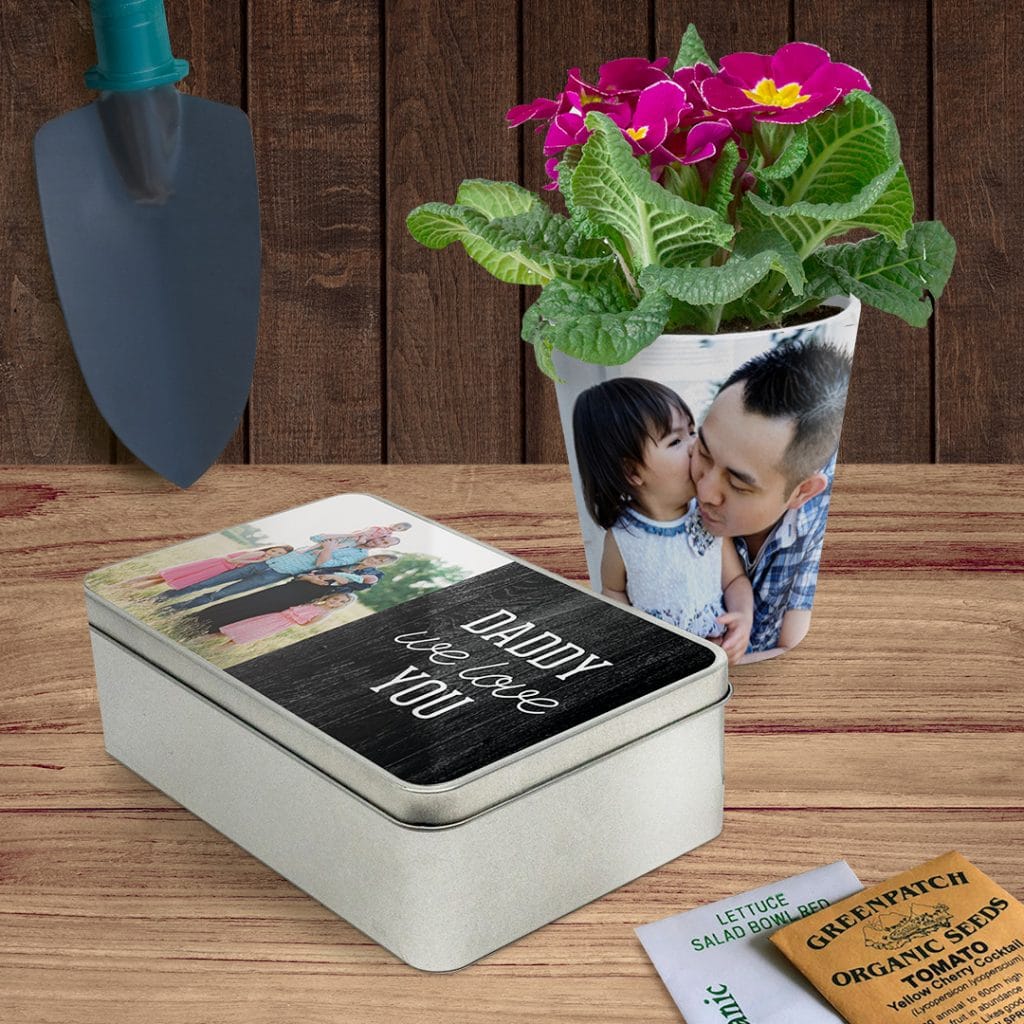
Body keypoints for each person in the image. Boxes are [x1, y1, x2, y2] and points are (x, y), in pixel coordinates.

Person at [690, 337, 853, 661]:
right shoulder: (672, 481)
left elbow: (791, 647)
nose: (704, 493)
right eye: (704, 453)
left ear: (802, 491)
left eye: (738, 484)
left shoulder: (827, 530)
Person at [573, 377, 753, 664]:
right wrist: (636, 643)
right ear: (632, 472)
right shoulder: (624, 538)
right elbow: (613, 591)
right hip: (664, 661)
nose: (696, 447)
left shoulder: (707, 514)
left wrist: (743, 617)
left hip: (717, 652)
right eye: (676, 440)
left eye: (693, 432)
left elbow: (734, 579)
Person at [181, 555, 397, 635]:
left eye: (382, 562)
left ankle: (204, 630)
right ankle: (192, 620)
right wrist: (309, 578)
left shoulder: (370, 576)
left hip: (301, 599)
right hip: (293, 587)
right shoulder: (346, 559)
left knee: (255, 612)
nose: (376, 561)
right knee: (246, 601)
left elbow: (354, 588)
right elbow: (306, 572)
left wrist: (347, 579)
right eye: (378, 558)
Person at [153, 536, 376, 610]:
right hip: (263, 564)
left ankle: (173, 609)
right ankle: (159, 599)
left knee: (219, 594)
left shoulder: (351, 556)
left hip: (274, 575)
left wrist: (329, 549)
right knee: (203, 583)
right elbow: (318, 536)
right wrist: (337, 540)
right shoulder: (341, 540)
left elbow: (323, 563)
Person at [206, 592, 354, 647]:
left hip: (280, 623)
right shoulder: (314, 603)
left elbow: (307, 625)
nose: (336, 602)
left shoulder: (324, 613)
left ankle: (216, 650)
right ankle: (201, 641)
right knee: (233, 630)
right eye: (336, 598)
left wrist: (294, 618)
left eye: (341, 602)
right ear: (330, 597)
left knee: (241, 637)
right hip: (274, 616)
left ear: (342, 606)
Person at [118, 545, 293, 592]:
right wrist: (259, 559)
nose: (274, 553)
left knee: (166, 580)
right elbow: (235, 560)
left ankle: (129, 589)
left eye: (278, 554)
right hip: (215, 565)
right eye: (275, 550)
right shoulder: (255, 554)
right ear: (271, 548)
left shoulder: (262, 558)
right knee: (164, 575)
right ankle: (123, 585)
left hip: (217, 570)